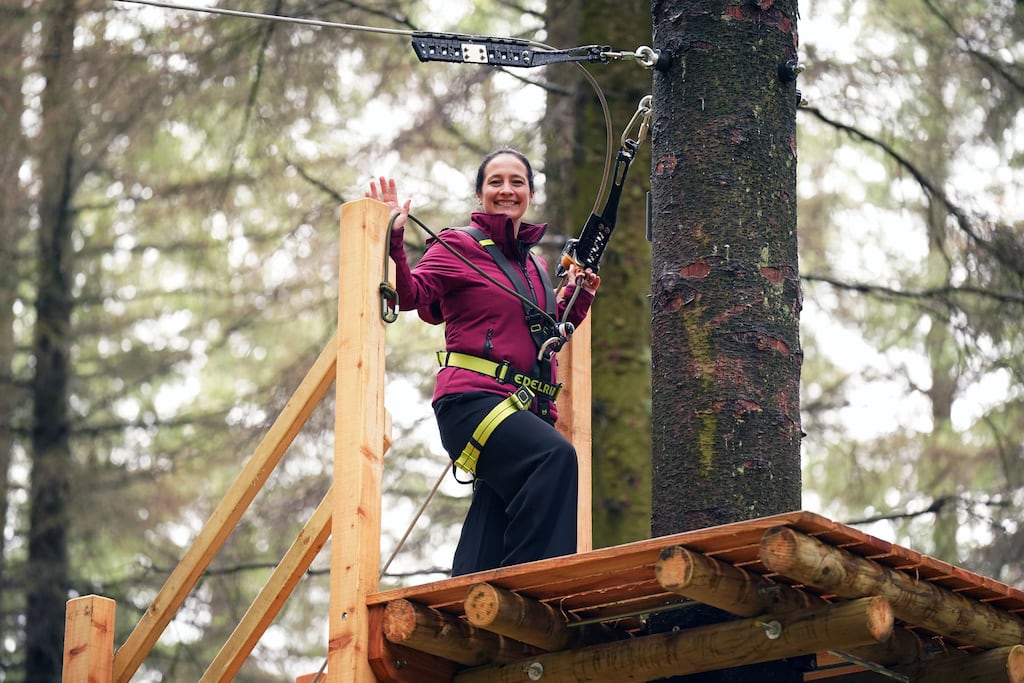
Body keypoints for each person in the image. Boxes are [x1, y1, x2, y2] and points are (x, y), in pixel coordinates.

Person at [367, 148, 601, 576]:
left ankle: (472, 586)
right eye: (495, 182)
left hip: (522, 407)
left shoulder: (536, 266)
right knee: (555, 459)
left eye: (517, 182)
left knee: (500, 501)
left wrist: (577, 294)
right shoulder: (457, 245)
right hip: (473, 402)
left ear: (530, 192)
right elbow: (410, 294)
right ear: (480, 195)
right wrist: (393, 237)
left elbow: (549, 335)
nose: (506, 190)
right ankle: (539, 584)